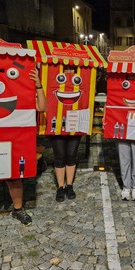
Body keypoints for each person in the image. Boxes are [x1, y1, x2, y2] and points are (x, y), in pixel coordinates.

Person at [0, 67, 47, 244]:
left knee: (15, 179)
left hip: (13, 142)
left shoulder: (22, 92)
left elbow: (43, 107)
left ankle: (18, 209)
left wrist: (38, 85)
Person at [49, 66, 82, 202]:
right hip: (56, 123)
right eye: (65, 69)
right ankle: (60, 187)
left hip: (75, 122)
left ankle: (69, 185)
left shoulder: (80, 82)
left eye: (71, 69)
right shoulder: (53, 80)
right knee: (60, 156)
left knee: (71, 155)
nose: (68, 72)